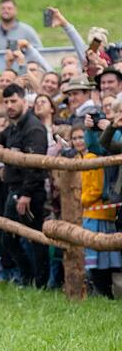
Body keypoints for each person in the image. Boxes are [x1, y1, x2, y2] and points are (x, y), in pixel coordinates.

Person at [0, 83, 49, 288]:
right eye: (6, 102)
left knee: (36, 238)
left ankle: (39, 283)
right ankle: (28, 277)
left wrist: (26, 194)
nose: (10, 105)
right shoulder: (15, 124)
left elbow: (37, 164)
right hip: (13, 190)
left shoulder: (34, 128)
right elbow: (1, 136)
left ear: (24, 100)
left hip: (29, 193)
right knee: (9, 239)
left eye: (14, 101)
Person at [71, 125, 121, 297]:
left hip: (97, 213)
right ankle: (99, 291)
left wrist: (80, 200)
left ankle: (105, 292)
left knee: (101, 258)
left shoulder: (93, 159)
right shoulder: (79, 158)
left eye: (81, 137)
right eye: (75, 138)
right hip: (88, 213)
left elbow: (96, 189)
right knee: (95, 259)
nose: (78, 141)